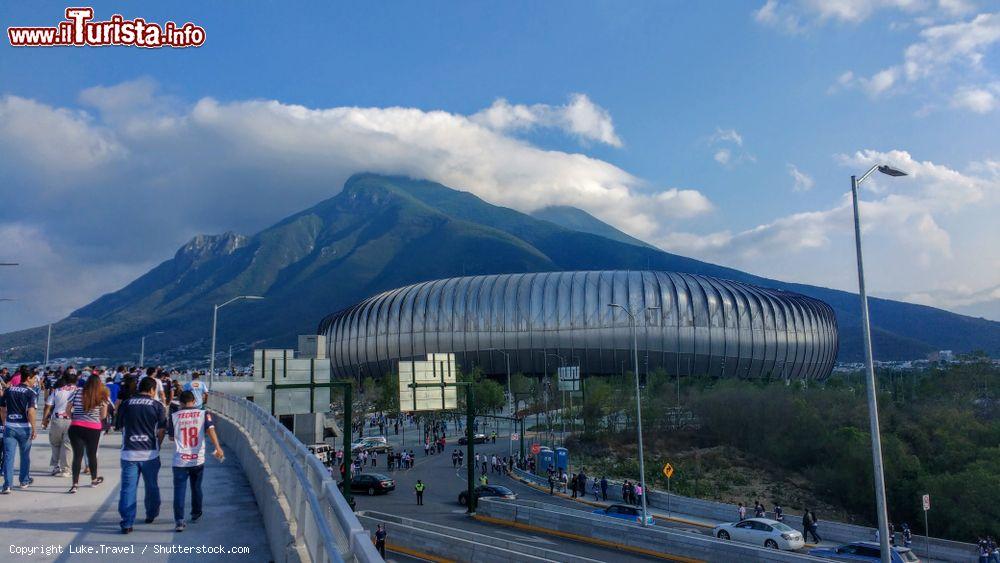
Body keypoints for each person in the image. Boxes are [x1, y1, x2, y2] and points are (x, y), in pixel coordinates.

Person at [169, 390, 224, 532]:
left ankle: (179, 521)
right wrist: (218, 448)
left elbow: (170, 437)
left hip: (180, 459)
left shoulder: (174, 416)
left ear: (180, 402)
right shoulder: (203, 414)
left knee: (179, 490)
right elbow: (211, 430)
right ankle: (196, 513)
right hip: (197, 458)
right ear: (194, 401)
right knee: (196, 487)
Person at [117, 377, 167, 533]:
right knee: (151, 486)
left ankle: (127, 523)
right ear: (152, 390)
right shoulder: (157, 405)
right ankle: (151, 514)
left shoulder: (126, 404)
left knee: (128, 489)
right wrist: (158, 444)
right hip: (150, 454)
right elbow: (161, 430)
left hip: (129, 454)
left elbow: (119, 426)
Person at [66, 374, 110, 493]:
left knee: (77, 456)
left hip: (76, 427)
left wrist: (75, 418)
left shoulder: (77, 392)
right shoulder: (102, 395)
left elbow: (67, 410)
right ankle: (94, 480)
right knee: (92, 455)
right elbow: (103, 415)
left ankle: (75, 484)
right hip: (93, 428)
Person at [1, 370, 39, 494]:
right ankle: (24, 480)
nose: (35, 381)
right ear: (28, 378)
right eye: (34, 379)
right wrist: (34, 428)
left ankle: (7, 485)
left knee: (8, 456)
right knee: (24, 455)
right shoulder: (31, 392)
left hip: (10, 427)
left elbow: (2, 408)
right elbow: (31, 412)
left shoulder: (9, 390)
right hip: (24, 428)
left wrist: (4, 422)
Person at [42, 373, 77, 476]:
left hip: (57, 420)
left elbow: (48, 406)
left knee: (55, 443)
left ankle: (55, 466)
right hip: (71, 420)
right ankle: (66, 469)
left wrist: (45, 419)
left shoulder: (57, 390)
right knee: (68, 445)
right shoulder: (78, 391)